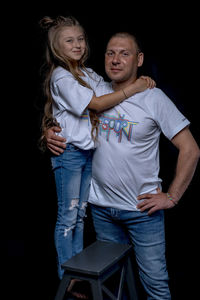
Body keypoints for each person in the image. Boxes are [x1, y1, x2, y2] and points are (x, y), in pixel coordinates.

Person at [44, 32, 200, 299]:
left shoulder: (154, 98)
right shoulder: (95, 89)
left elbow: (191, 149)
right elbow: (62, 106)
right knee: (112, 286)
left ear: (139, 59)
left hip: (142, 212)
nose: (115, 60)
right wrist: (48, 130)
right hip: (102, 210)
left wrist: (172, 197)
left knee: (156, 285)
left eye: (124, 53)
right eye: (110, 53)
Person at [39, 15, 155, 290]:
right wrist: (136, 87)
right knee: (68, 214)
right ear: (57, 47)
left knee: (80, 213)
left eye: (80, 39)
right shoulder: (62, 76)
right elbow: (98, 103)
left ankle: (77, 270)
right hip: (69, 153)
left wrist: (135, 85)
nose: (77, 44)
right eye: (70, 41)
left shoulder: (87, 74)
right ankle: (67, 276)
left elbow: (110, 91)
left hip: (85, 152)